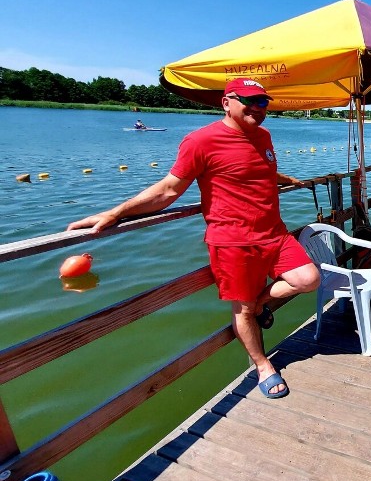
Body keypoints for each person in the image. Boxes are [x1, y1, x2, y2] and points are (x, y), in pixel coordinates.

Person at [67, 78, 320, 399]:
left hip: (275, 233)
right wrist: (118, 212)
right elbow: (169, 190)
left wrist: (287, 179)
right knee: (241, 310)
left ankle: (261, 302)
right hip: (233, 242)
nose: (258, 108)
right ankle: (262, 365)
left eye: (263, 102)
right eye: (250, 101)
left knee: (308, 278)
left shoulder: (264, 136)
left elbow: (258, 171)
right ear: (226, 102)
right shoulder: (201, 141)